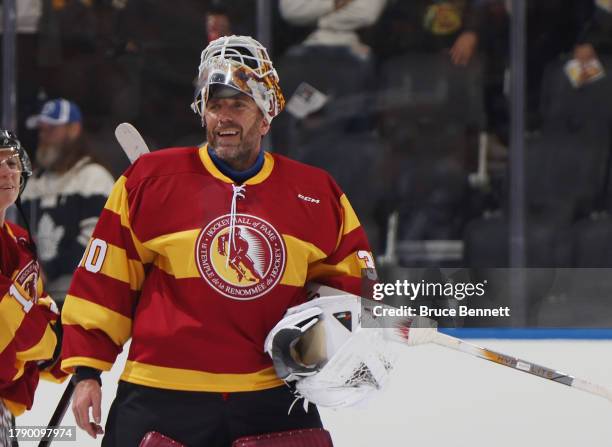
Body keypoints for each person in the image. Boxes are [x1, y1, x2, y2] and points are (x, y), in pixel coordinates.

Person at [60, 35, 376, 446]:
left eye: (238, 104)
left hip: (271, 395)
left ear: (266, 116)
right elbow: (106, 281)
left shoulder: (315, 192)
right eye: (215, 104)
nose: (224, 117)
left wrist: (334, 332)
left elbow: (352, 286)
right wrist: (87, 373)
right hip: (163, 393)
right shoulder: (151, 180)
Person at [0, 130, 63, 445]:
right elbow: (16, 328)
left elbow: (40, 312)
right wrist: (54, 345)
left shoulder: (19, 240)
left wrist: (67, 353)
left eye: (11, 162)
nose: (6, 171)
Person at [20, 98, 115, 306]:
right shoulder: (33, 183)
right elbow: (17, 233)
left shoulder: (94, 178)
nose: (44, 137)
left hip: (82, 298)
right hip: (38, 300)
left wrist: (47, 271)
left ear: (73, 129)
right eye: (42, 131)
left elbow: (94, 240)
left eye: (52, 130)